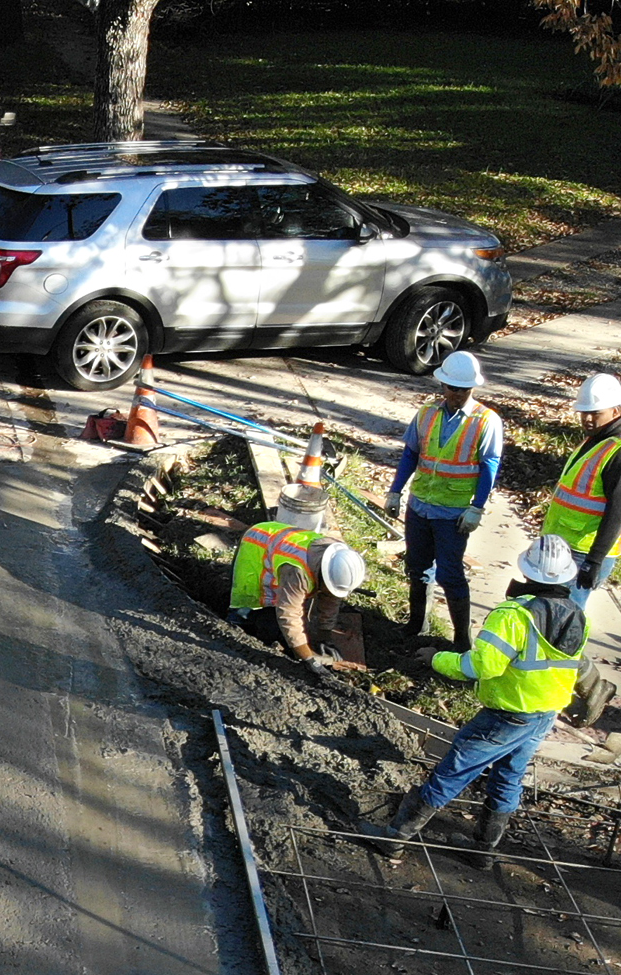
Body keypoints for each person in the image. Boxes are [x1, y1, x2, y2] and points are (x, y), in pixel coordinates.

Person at [372, 535, 586, 870]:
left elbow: (481, 666)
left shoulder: (514, 615)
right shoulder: (577, 615)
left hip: (508, 713)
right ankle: (484, 851)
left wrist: (436, 659)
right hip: (544, 712)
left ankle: (395, 836)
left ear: (527, 571)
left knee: (454, 770)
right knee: (509, 777)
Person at [384, 347, 504, 654]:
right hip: (420, 505)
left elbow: (489, 465)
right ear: (442, 385)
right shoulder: (427, 414)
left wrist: (477, 507)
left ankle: (462, 639)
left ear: (472, 388)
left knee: (451, 573)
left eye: (463, 390)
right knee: (417, 566)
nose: (456, 395)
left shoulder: (485, 421)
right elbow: (411, 452)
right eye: (452, 388)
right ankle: (416, 624)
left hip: (453, 513)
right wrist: (396, 490)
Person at [544, 371, 621, 612]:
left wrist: (595, 559)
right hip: (566, 543)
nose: (588, 419)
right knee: (552, 615)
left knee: (566, 618)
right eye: (584, 412)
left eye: (595, 413)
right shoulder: (600, 438)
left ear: (616, 410)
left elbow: (619, 510)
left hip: (584, 551)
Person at [227, 521, 370, 675]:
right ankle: (234, 627)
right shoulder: (298, 571)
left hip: (278, 544)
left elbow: (331, 599)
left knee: (284, 601)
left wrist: (324, 636)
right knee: (249, 598)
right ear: (323, 575)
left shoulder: (340, 559)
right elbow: (288, 614)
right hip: (256, 545)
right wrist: (307, 657)